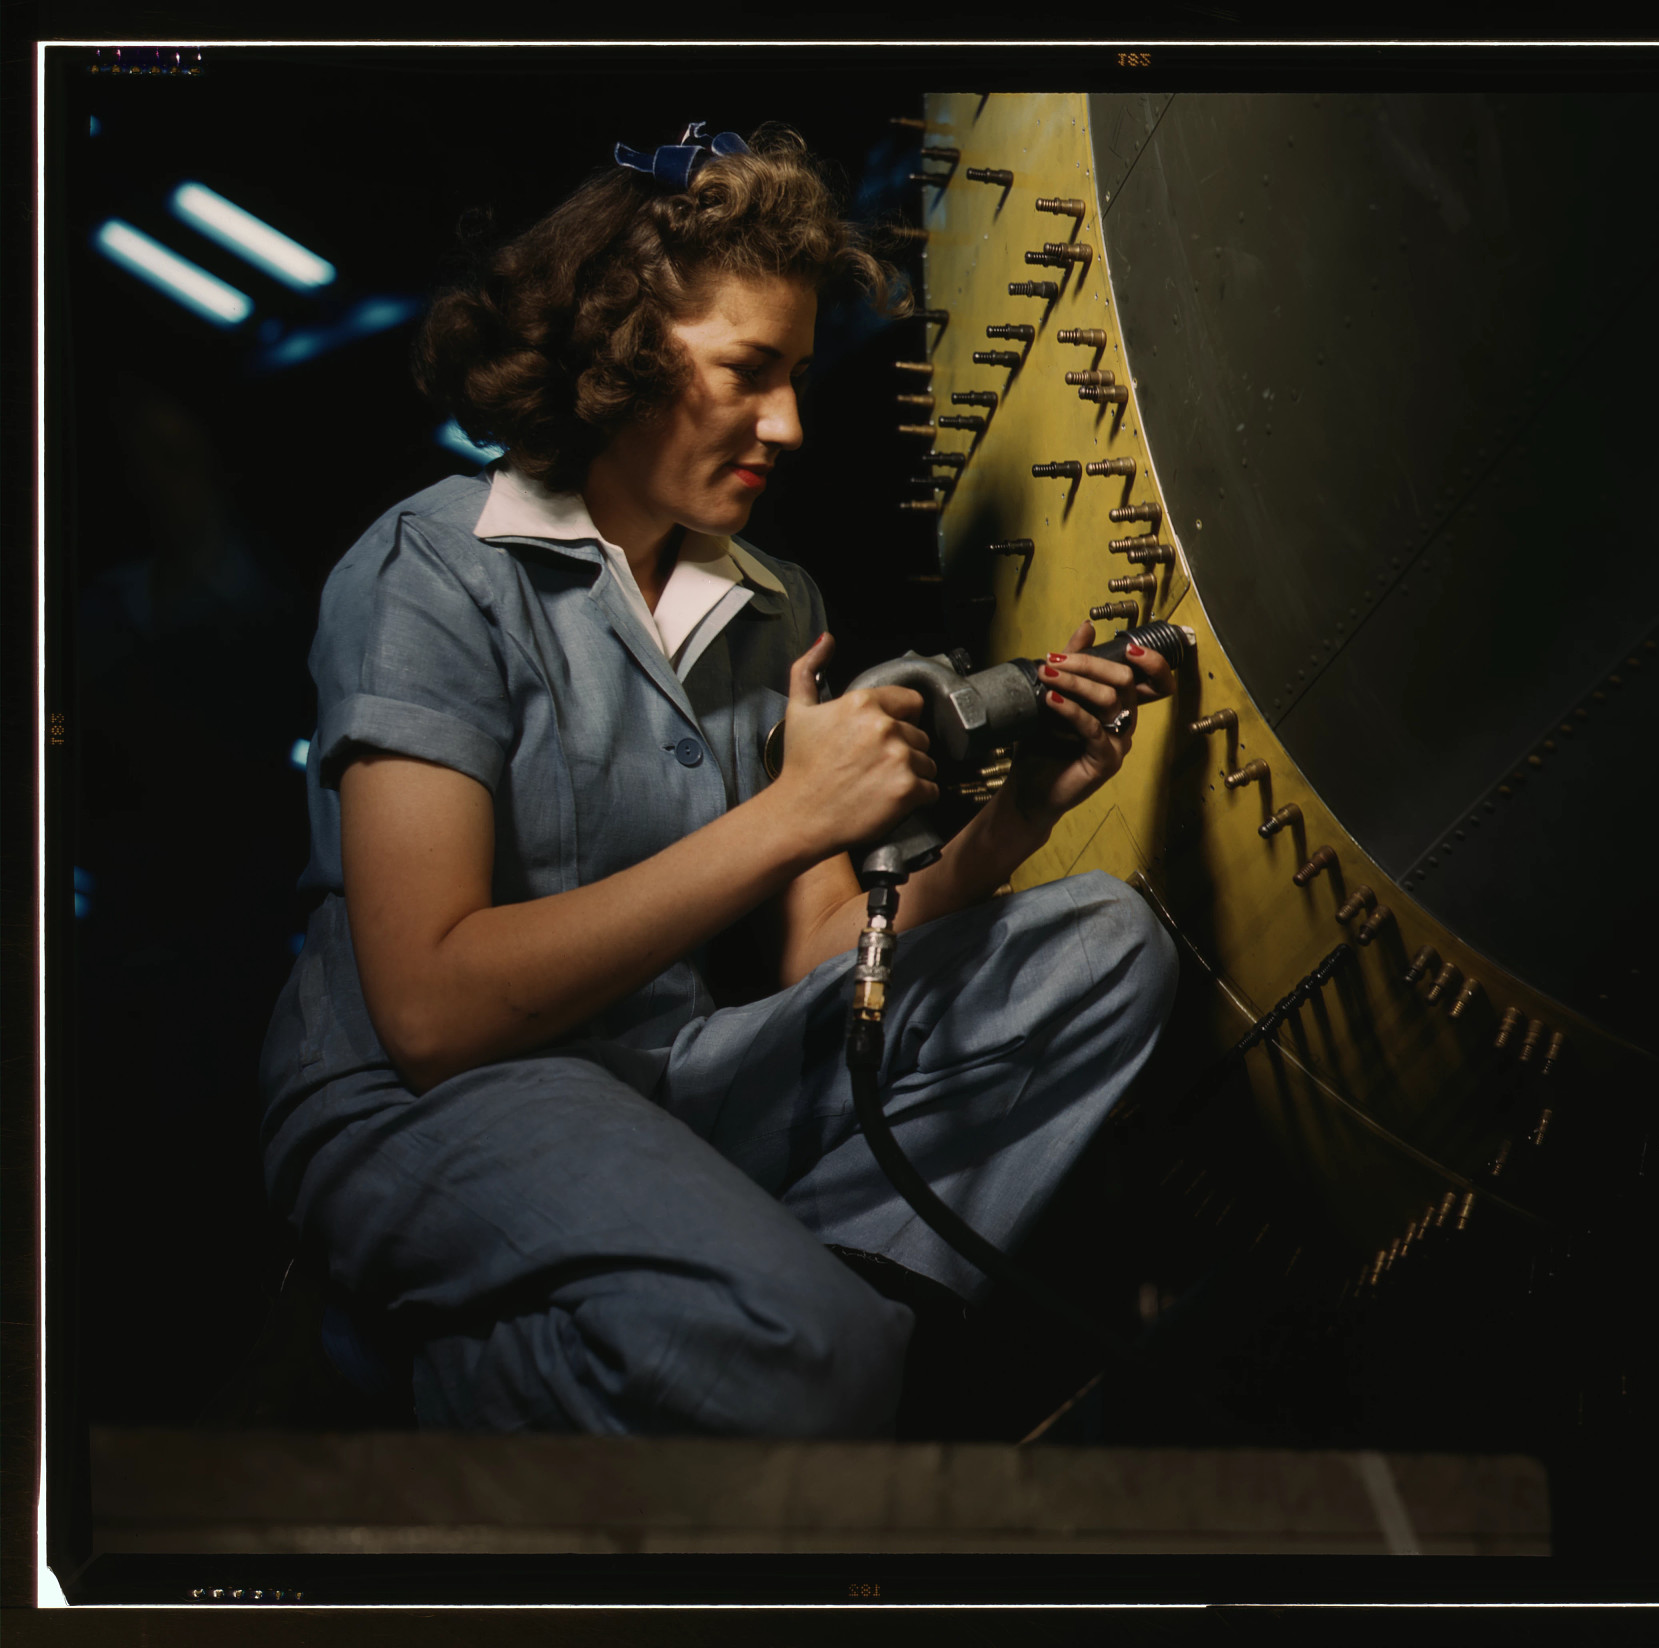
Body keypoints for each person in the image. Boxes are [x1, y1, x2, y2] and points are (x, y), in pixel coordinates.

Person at [256, 122, 1179, 1437]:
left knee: (1104, 946)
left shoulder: (769, 604)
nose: (791, 422)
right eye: (751, 372)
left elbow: (821, 958)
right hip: (436, 1106)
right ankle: (415, 1384)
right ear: (621, 351)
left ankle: (813, 1339)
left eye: (797, 377)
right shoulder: (435, 569)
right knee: (804, 1360)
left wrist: (1018, 813)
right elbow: (432, 1013)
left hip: (674, 1085)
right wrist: (794, 814)